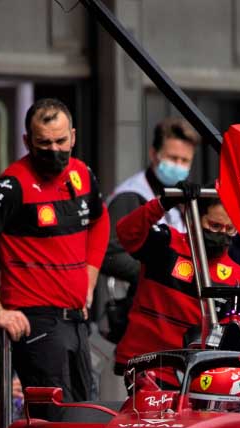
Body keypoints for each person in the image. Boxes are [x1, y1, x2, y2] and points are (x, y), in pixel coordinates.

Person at [0, 99, 108, 413]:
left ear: (74, 137)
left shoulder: (82, 174)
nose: (54, 150)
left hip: (77, 320)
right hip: (36, 321)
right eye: (44, 143)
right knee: (56, 422)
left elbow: (100, 221)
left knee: (88, 417)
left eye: (61, 140)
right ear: (28, 141)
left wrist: (90, 279)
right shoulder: (12, 184)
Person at [113, 183, 240, 372]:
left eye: (230, 229)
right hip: (146, 365)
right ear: (193, 219)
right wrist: (162, 204)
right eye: (214, 226)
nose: (221, 235)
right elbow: (126, 232)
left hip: (195, 372)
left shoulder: (238, 277)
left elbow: (231, 337)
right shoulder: (166, 243)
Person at [98, 117, 200, 343]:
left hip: (168, 311)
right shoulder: (131, 196)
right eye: (173, 158)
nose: (179, 165)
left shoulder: (180, 197)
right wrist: (160, 271)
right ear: (155, 155)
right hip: (133, 315)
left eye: (185, 161)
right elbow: (108, 253)